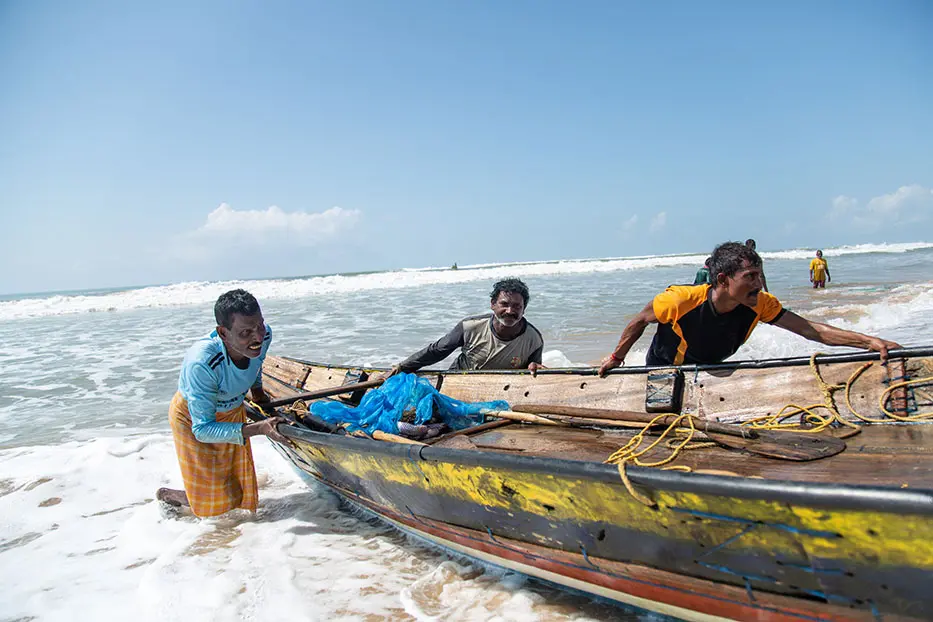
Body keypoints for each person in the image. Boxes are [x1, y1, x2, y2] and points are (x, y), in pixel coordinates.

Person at [598, 241, 899, 375]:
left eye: (759, 275)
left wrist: (867, 342)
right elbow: (639, 321)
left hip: (713, 367)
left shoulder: (761, 305)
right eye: (750, 277)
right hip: (667, 367)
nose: (758, 284)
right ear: (722, 279)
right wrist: (616, 358)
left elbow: (811, 330)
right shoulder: (679, 300)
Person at [157, 289, 288, 517]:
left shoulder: (264, 336)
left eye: (259, 325)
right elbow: (203, 429)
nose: (257, 337)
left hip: (232, 408)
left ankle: (198, 494)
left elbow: (257, 363)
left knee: (235, 488)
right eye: (245, 332)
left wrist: (258, 395)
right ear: (223, 334)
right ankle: (172, 496)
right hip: (193, 418)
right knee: (214, 504)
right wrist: (259, 428)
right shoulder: (203, 363)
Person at [378, 278, 544, 378]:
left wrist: (534, 367)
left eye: (516, 306)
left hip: (502, 389)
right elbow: (436, 351)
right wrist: (401, 368)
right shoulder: (470, 327)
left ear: (524, 309)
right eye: (504, 304)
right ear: (492, 305)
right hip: (460, 381)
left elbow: (533, 368)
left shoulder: (534, 339)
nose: (510, 311)